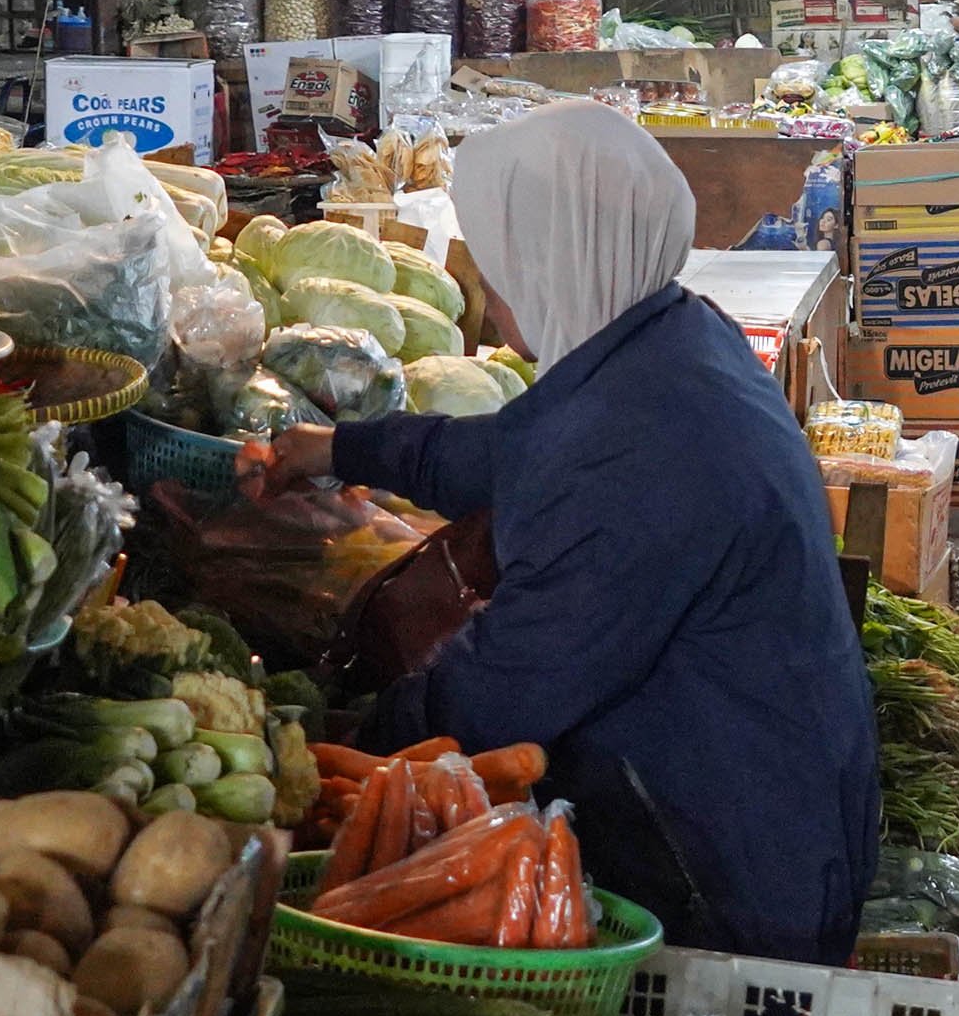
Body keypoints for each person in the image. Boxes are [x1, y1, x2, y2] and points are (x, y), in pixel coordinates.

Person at [244, 104, 877, 961]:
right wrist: (345, 448)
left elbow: (511, 681)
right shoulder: (669, 338)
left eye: (497, 265)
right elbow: (522, 449)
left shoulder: (644, 443)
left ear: (549, 263)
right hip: (758, 798)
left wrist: (337, 752)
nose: (489, 292)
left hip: (723, 883)